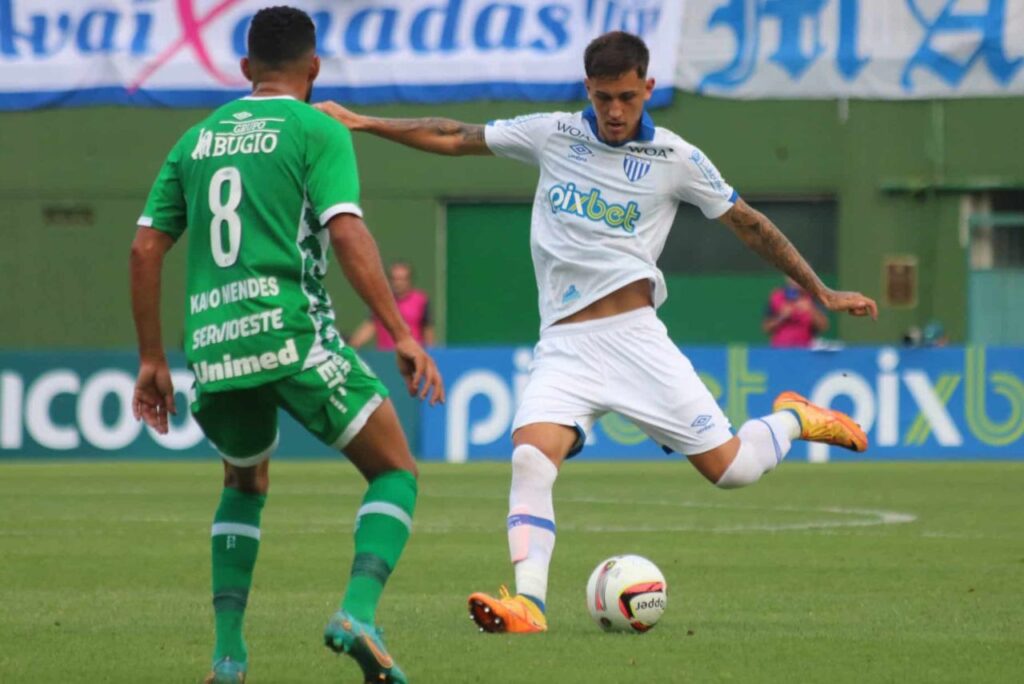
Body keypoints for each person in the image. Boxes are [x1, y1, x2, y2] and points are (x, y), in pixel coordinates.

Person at [317, 30, 877, 636]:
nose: (615, 110)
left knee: (734, 469)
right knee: (531, 455)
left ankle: (793, 417)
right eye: (604, 96)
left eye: (628, 97)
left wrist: (819, 290)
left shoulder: (675, 159)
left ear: (648, 89)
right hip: (563, 347)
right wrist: (362, 122)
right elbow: (457, 135)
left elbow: (748, 224)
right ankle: (529, 603)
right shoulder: (553, 135)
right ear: (588, 88)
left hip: (636, 341)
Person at [129, 7, 443, 683]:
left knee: (244, 484)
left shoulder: (195, 138)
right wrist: (402, 334)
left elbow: (145, 246)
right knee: (395, 470)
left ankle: (229, 656)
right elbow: (349, 232)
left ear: (245, 70)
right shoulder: (315, 127)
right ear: (315, 68)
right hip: (290, 335)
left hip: (214, 349)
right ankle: (358, 610)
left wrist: (152, 359)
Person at [349, 261, 435, 350]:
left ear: (409, 280)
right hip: (386, 356)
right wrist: (352, 345)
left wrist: (431, 353)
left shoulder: (421, 300)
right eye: (395, 279)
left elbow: (428, 329)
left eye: (402, 279)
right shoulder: (380, 300)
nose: (398, 283)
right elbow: (371, 325)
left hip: (412, 356)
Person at [763, 277, 830, 347]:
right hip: (780, 350)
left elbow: (823, 326)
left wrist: (811, 310)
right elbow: (766, 327)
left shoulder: (814, 297)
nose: (796, 279)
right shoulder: (776, 296)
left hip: (806, 349)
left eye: (799, 274)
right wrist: (781, 317)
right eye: (792, 275)